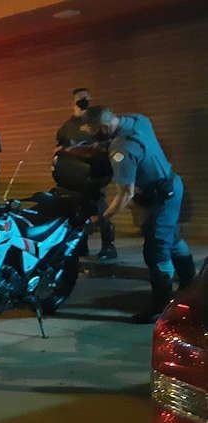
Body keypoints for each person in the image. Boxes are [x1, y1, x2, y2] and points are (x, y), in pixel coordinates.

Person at [84, 106, 195, 324]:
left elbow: (126, 194)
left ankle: (161, 306)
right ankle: (189, 284)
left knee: (156, 250)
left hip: (161, 197)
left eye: (93, 131)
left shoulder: (121, 150)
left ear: (104, 128)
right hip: (172, 185)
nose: (93, 136)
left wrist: (101, 218)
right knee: (171, 237)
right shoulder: (138, 120)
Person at [55, 88, 117, 260]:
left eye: (87, 99)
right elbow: (59, 147)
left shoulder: (95, 121)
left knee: (100, 207)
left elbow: (109, 142)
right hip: (76, 175)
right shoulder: (67, 127)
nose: (85, 102)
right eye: (81, 99)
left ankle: (108, 246)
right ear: (74, 101)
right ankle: (81, 246)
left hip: (96, 172)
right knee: (78, 210)